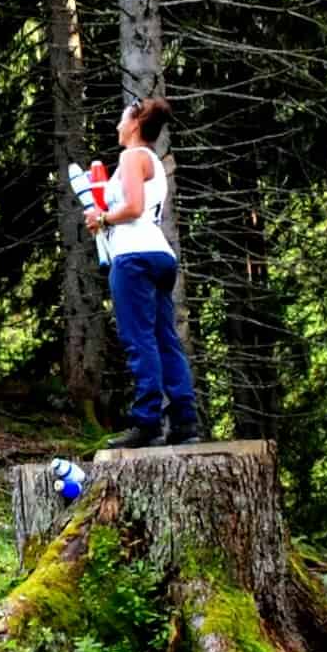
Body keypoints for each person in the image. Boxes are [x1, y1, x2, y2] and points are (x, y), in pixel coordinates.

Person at [84, 97, 201, 448]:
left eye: (122, 119)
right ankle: (185, 421)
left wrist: (102, 218)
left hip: (134, 258)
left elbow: (133, 207)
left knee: (140, 339)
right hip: (160, 255)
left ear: (135, 123)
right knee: (165, 339)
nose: (118, 125)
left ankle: (147, 421)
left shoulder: (132, 156)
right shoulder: (153, 161)